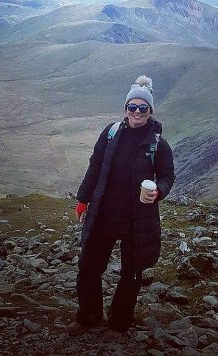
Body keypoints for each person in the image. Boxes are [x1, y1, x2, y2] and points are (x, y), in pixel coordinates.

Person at [67, 75, 176, 336]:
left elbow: (167, 176)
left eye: (143, 108)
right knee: (89, 267)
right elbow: (95, 167)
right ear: (125, 108)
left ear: (150, 112)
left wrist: (158, 191)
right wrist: (83, 200)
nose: (136, 112)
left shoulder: (158, 145)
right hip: (104, 213)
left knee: (131, 275)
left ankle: (118, 324)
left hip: (136, 221)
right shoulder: (110, 134)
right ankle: (88, 317)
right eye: (132, 107)